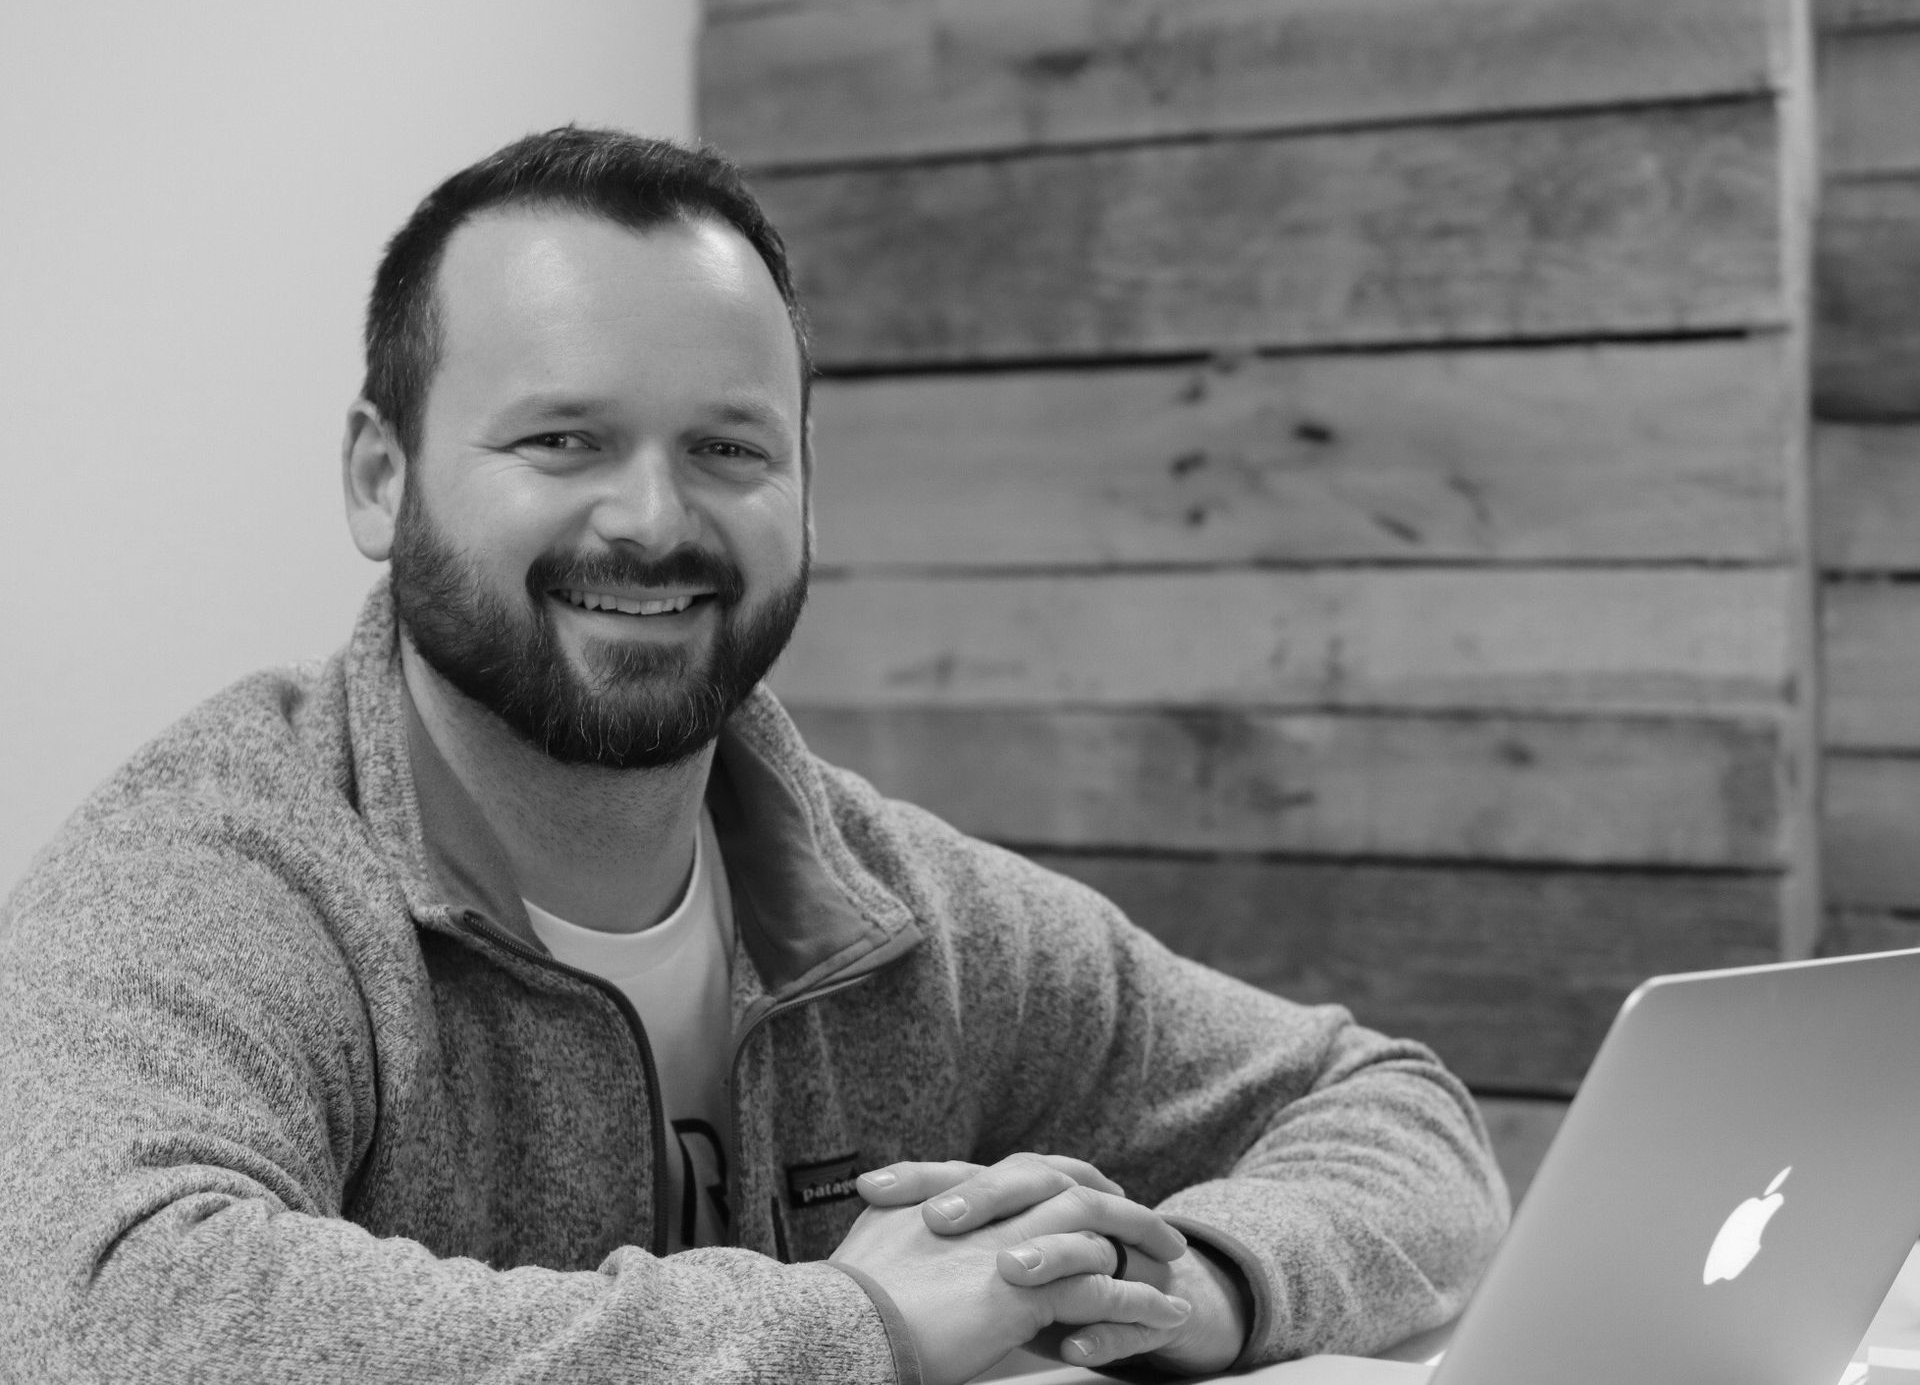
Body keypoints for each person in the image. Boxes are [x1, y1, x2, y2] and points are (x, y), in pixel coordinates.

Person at [0, 127, 1508, 1384]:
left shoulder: (887, 902)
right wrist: (852, 1329)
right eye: (564, 442)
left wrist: (1208, 1287)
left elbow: (1394, 1110)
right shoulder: (213, 874)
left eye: (728, 449)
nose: (654, 521)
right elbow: (100, 1311)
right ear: (381, 478)